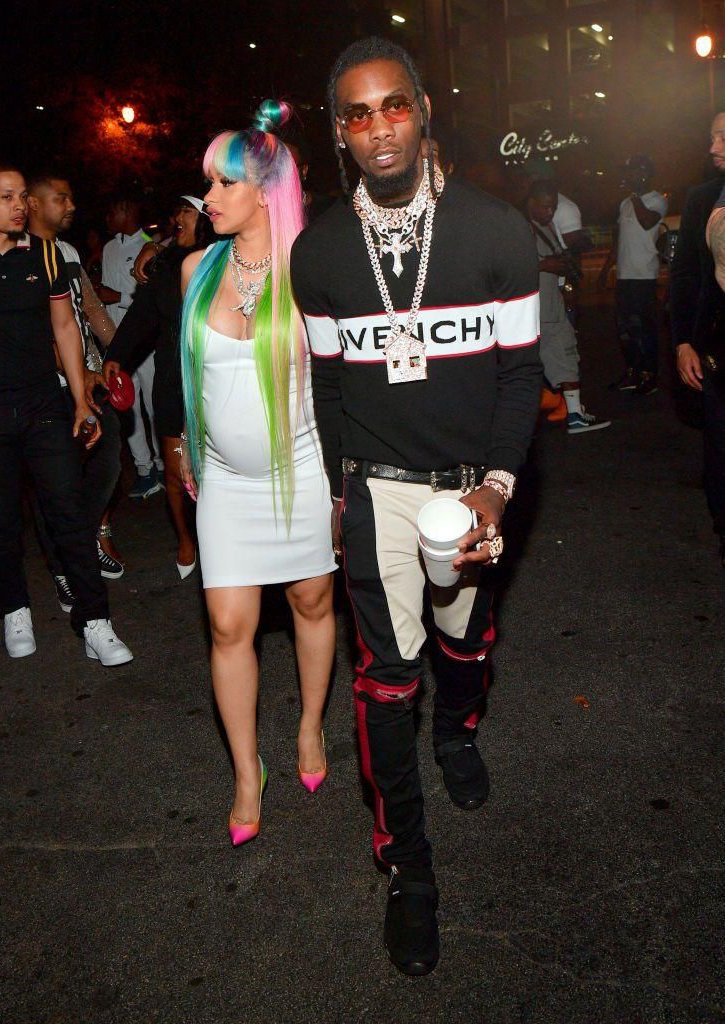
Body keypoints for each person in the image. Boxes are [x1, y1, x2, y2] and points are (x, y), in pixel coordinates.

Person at [290, 37, 542, 976]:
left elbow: (520, 374)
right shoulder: (318, 251)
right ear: (338, 131)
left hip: (471, 484)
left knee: (462, 642)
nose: (379, 128)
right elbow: (327, 387)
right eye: (357, 114)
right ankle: (408, 866)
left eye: (393, 105)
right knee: (385, 678)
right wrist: (339, 493)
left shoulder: (495, 230)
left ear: (423, 108)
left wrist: (496, 487)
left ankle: (459, 729)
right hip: (376, 488)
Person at [179, 102, 337, 849]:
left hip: (300, 470)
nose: (207, 197)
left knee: (311, 601)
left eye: (224, 183)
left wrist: (344, 481)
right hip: (225, 481)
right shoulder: (194, 270)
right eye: (209, 182)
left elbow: (342, 386)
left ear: (268, 191)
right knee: (227, 626)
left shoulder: (312, 274)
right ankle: (247, 772)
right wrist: (184, 442)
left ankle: (309, 727)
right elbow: (186, 377)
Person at [0, 163, 132, 665]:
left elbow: (66, 327)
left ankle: (95, 621)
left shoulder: (46, 254)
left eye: (22, 196)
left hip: (43, 405)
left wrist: (79, 400)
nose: (19, 205)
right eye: (6, 196)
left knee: (69, 511)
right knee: (1, 519)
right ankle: (14, 609)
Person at [26, 171, 125, 601]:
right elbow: (37, 332)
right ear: (33, 203)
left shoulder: (65, 251)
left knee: (108, 460)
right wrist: (77, 372)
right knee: (55, 481)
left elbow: (91, 309)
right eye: (61, 198)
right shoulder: (20, 256)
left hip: (87, 378)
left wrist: (116, 355)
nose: (72, 206)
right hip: (47, 387)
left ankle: (78, 543)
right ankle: (64, 563)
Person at [104, 198, 208, 577]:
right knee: (176, 474)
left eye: (187, 211)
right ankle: (185, 539)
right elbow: (142, 313)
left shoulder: (220, 260)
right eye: (176, 211)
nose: (177, 217)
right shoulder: (163, 265)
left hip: (213, 382)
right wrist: (117, 355)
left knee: (216, 473)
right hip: (171, 381)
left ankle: (218, 539)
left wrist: (156, 246)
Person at [670, 112, 725, 567]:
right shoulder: (703, 198)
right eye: (711, 137)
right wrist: (684, 341)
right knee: (721, 448)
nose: (713, 147)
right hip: (718, 349)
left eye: (723, 137)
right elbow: (686, 274)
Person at [526, 181, 610, 433]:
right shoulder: (522, 228)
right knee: (563, 356)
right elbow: (508, 268)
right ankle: (574, 415)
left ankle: (570, 411)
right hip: (542, 309)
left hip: (553, 302)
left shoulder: (547, 226)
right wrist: (545, 265)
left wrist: (565, 284)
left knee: (560, 356)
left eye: (553, 207)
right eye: (544, 206)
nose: (549, 212)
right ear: (531, 203)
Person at [100, 194, 163, 499]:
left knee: (153, 406)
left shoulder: (149, 246)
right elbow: (104, 297)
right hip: (117, 345)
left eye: (112, 210)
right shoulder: (108, 248)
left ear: (126, 209)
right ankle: (144, 469)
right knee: (127, 407)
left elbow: (151, 302)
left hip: (146, 344)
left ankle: (164, 465)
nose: (107, 217)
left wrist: (118, 298)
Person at [598, 155, 668, 396]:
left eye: (632, 171)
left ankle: (650, 376)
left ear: (644, 174)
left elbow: (647, 222)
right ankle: (633, 372)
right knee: (625, 329)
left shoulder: (657, 200)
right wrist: (606, 269)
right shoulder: (625, 203)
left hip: (644, 275)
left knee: (645, 328)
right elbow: (618, 240)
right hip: (625, 276)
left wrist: (635, 195)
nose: (627, 176)